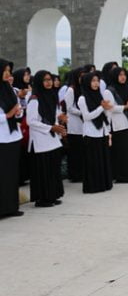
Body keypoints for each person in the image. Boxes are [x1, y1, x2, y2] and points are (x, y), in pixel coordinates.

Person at [27, 70, 66, 207]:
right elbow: (31, 121)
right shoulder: (34, 99)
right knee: (43, 170)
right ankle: (42, 198)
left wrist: (59, 125)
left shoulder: (51, 96)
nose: (49, 82)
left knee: (53, 168)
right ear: (39, 82)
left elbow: (54, 116)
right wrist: (51, 128)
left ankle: (53, 195)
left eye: (50, 79)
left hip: (52, 138)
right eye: (45, 80)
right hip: (40, 140)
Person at [77, 72, 113, 194]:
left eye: (97, 80)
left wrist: (106, 110)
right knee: (93, 161)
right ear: (87, 82)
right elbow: (86, 116)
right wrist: (101, 108)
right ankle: (93, 186)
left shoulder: (99, 96)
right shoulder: (82, 98)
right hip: (91, 133)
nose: (96, 83)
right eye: (93, 81)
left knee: (102, 160)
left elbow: (105, 115)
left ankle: (104, 184)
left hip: (102, 131)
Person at [104, 67, 128, 182]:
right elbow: (110, 108)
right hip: (118, 123)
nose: (123, 77)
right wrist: (125, 107)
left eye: (124, 74)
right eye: (120, 75)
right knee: (121, 151)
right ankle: (121, 175)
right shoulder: (109, 91)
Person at [0, 59, 24, 218]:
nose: (8, 74)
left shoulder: (8, 89)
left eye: (9, 70)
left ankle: (11, 206)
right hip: (1, 138)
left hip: (13, 136)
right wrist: (7, 115)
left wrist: (17, 112)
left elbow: (17, 110)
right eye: (5, 70)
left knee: (12, 174)